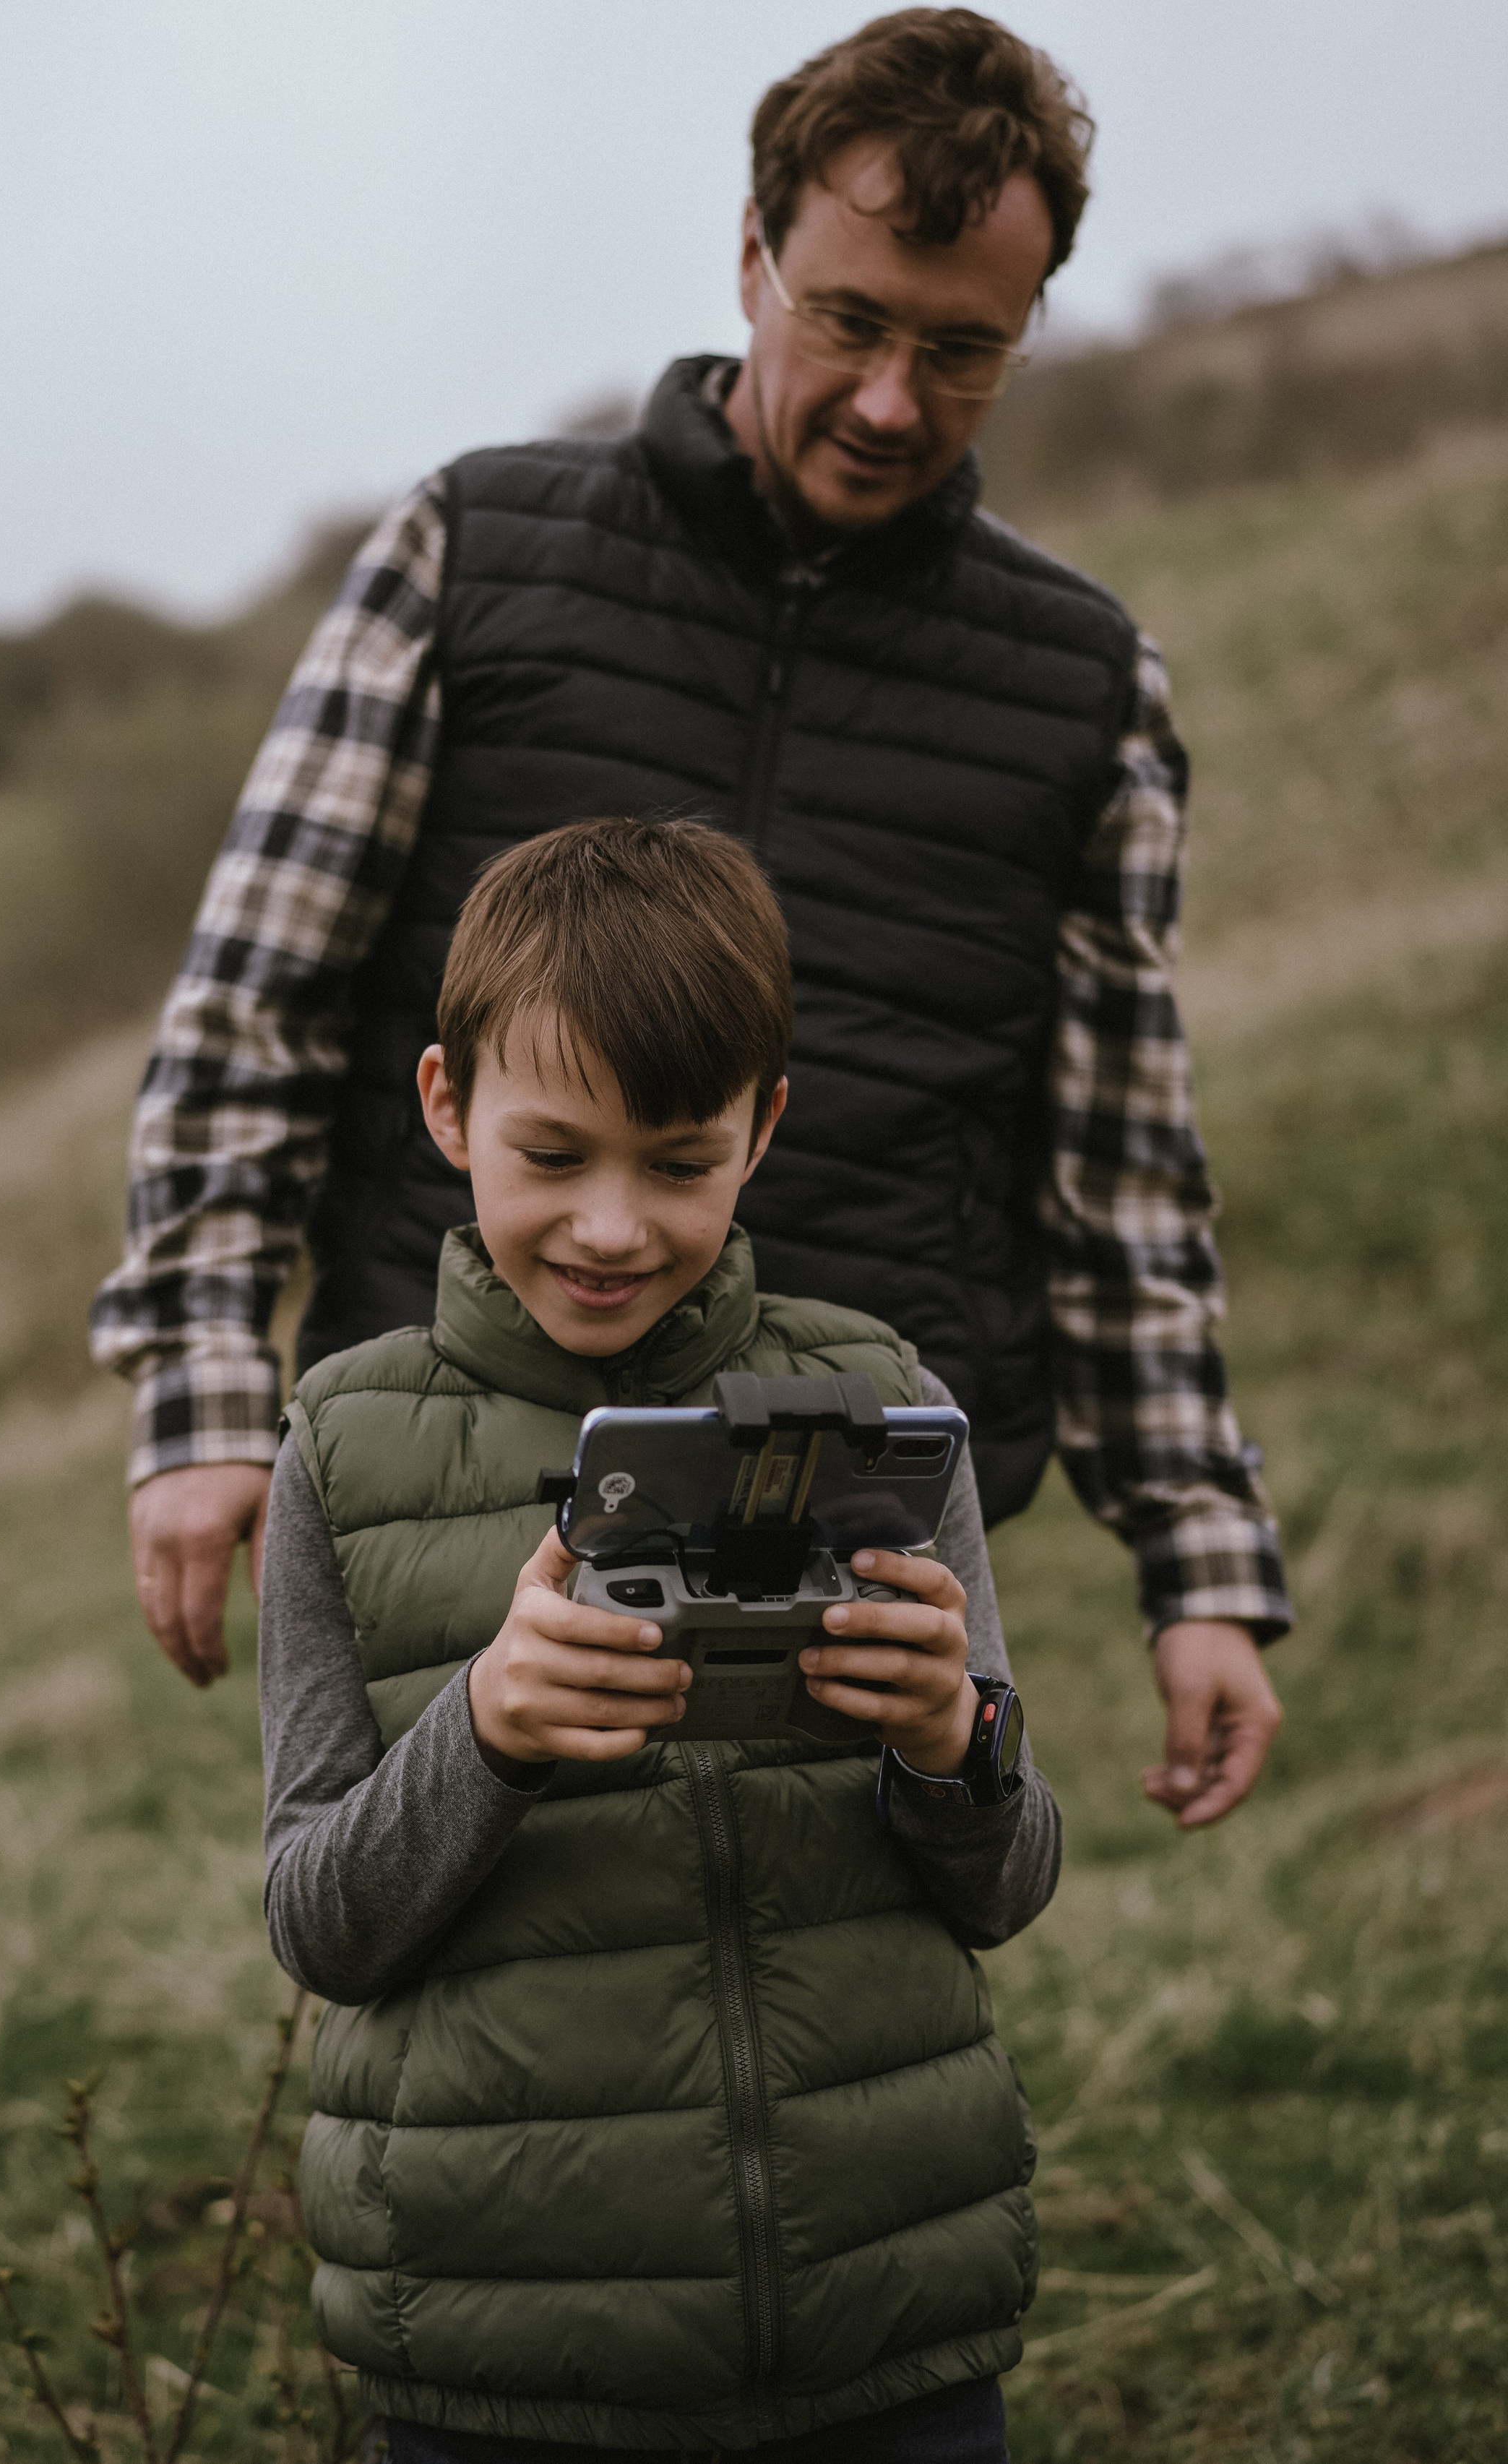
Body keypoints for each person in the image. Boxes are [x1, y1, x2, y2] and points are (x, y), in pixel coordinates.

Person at [92, 7, 1291, 1828]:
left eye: (962, 351)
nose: (894, 401)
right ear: (750, 257)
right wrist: (199, 1402)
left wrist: (1198, 1557)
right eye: (849, 322)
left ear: (1029, 325)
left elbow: (1116, 1168)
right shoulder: (471, 552)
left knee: (847, 2049)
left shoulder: (1084, 687)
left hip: (864, 1530)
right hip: (449, 1480)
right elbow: (253, 1007)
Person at [262, 815, 1059, 2460]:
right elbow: (320, 1922)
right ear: (443, 1107)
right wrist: (480, 1729)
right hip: (508, 2355)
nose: (611, 1226)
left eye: (677, 1160)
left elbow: (1006, 1882)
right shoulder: (341, 1449)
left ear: (761, 1130)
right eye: (551, 1156)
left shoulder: (885, 1405)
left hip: (886, 2328)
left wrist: (945, 1743)